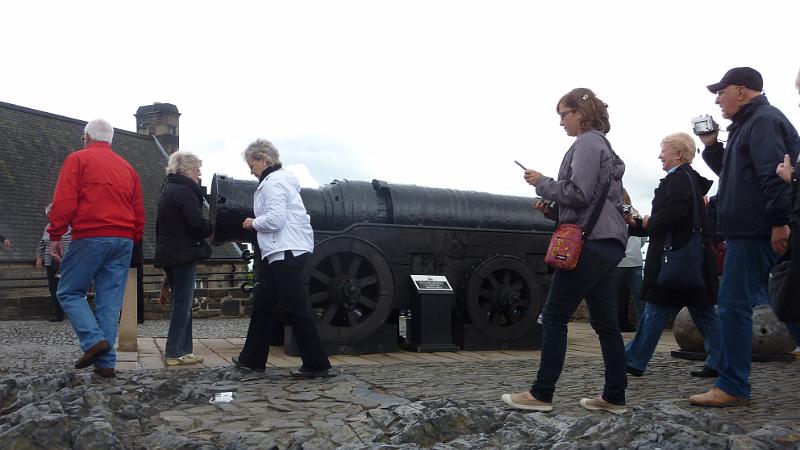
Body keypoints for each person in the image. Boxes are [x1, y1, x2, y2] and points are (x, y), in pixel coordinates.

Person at [501, 88, 629, 414]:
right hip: (608, 241)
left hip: (591, 243)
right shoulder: (604, 146)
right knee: (606, 324)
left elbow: (580, 193)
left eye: (563, 114)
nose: (561, 123)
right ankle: (614, 396)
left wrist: (542, 182)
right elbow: (592, 200)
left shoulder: (587, 143)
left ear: (580, 113)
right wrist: (553, 211)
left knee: (555, 316)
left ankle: (541, 394)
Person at [690, 67, 800, 407]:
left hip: (755, 229)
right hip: (754, 226)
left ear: (741, 91)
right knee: (788, 303)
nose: (717, 100)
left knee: (734, 307)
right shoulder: (749, 124)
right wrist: (710, 146)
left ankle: (733, 385)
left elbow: (772, 174)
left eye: (721, 92)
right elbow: (735, 172)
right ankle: (732, 382)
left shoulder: (763, 121)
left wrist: (779, 222)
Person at [49, 119, 145, 379]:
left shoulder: (78, 160)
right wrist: (133, 239)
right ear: (111, 139)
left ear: (86, 137)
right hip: (123, 239)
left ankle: (92, 341)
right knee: (109, 303)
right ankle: (106, 364)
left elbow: (64, 201)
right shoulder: (128, 168)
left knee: (69, 291)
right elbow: (138, 211)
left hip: (91, 235)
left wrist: (55, 234)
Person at [624, 132, 722, 379]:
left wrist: (648, 222)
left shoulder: (678, 179)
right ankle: (722, 360)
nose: (660, 155)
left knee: (657, 307)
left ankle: (634, 359)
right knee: (703, 311)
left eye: (664, 151)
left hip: (674, 258)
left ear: (678, 154)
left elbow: (673, 214)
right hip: (691, 257)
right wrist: (639, 223)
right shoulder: (689, 179)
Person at [233, 138, 332, 378]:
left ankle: (317, 363)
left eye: (252, 164)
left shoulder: (273, 183)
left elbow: (276, 219)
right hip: (281, 251)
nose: (250, 170)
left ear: (264, 159)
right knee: (264, 304)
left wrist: (252, 222)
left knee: (295, 306)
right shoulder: (277, 182)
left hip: (284, 251)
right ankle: (252, 359)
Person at [153, 151, 213, 366]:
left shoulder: (168, 189)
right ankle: (173, 352)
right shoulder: (185, 191)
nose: (199, 173)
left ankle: (184, 351)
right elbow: (196, 224)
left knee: (183, 304)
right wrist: (213, 227)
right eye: (196, 169)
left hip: (170, 252)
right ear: (184, 170)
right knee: (183, 304)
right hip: (183, 253)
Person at [611, 189, 645, 331]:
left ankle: (612, 324)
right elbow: (643, 237)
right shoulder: (635, 212)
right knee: (639, 295)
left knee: (613, 293)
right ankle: (643, 324)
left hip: (620, 258)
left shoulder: (614, 212)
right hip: (636, 258)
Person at [35, 204, 72, 322]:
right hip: (50, 261)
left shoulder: (70, 227)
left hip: (65, 262)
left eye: (50, 215)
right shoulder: (47, 227)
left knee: (66, 288)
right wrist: (39, 257)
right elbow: (42, 242)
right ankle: (57, 314)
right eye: (48, 215)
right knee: (53, 288)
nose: (49, 217)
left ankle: (69, 313)